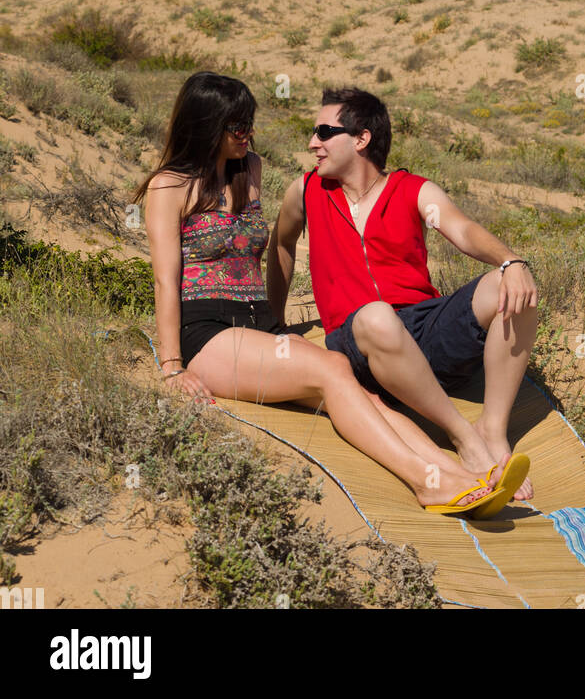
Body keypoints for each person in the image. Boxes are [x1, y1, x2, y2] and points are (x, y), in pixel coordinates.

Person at [136, 72, 517, 517]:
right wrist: (171, 368)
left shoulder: (250, 171)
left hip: (256, 324)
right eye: (238, 126)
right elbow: (166, 280)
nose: (248, 134)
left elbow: (275, 249)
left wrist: (276, 327)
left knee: (362, 394)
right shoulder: (169, 186)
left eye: (249, 124)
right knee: (334, 369)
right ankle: (423, 481)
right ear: (207, 126)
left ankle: (454, 474)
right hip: (206, 329)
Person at [268, 87, 539, 501]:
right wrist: (274, 321)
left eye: (324, 132)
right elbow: (281, 244)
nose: (313, 143)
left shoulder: (412, 189)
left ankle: (493, 431)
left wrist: (511, 261)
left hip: (421, 330)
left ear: (361, 139)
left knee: (511, 283)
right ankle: (465, 440)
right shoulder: (305, 192)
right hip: (358, 340)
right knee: (376, 315)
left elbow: (461, 229)